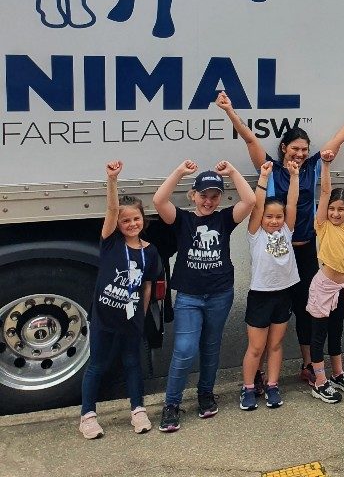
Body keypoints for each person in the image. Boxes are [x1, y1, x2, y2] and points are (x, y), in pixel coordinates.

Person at [217, 92, 344, 387]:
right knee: (267, 317)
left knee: (307, 310)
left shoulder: (314, 166)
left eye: (304, 149)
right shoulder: (271, 169)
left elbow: (337, 142)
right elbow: (251, 141)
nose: (300, 154)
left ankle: (307, 365)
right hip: (277, 255)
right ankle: (259, 375)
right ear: (283, 148)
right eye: (295, 148)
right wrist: (229, 111)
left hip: (308, 253)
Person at [153, 159, 255, 433]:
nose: (208, 201)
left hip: (220, 293)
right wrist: (179, 172)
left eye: (214, 196)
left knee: (211, 346)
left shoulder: (224, 219)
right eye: (203, 195)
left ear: (220, 198)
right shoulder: (182, 219)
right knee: (185, 349)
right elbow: (159, 200)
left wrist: (233, 172)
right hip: (189, 296)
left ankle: (205, 394)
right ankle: (171, 404)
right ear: (193, 195)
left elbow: (250, 200)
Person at [78, 161, 163, 439]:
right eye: (125, 221)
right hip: (104, 317)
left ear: (143, 220)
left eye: (136, 219)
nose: (131, 224)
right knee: (98, 364)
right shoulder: (110, 242)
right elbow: (112, 209)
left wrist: (142, 312)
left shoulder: (150, 252)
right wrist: (112, 180)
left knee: (132, 362)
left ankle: (138, 410)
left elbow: (147, 286)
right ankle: (87, 415)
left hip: (131, 317)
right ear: (118, 224)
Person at [239, 160, 300, 411]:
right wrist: (263, 178)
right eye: (269, 217)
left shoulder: (287, 230)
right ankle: (249, 388)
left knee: (275, 344)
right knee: (256, 347)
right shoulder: (256, 233)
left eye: (278, 217)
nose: (274, 221)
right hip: (260, 296)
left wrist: (294, 176)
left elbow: (293, 202)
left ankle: (272, 385)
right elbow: (255, 206)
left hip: (284, 294)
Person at [305, 149, 344, 404]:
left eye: (341, 209)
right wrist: (326, 165)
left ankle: (338, 373)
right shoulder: (323, 226)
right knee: (319, 335)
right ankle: (319, 381)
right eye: (332, 209)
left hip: (342, 289)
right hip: (323, 288)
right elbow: (325, 192)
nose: (336, 213)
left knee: (336, 332)